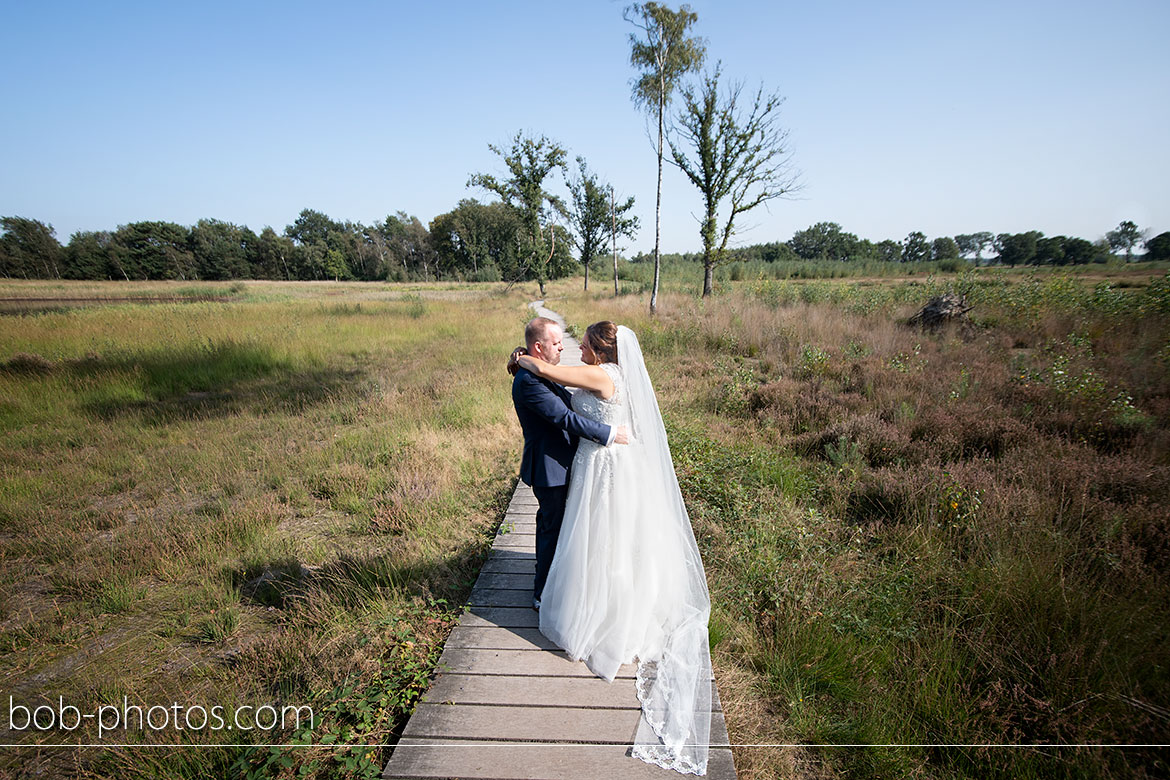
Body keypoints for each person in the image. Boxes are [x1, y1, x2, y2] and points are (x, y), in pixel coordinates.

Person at [514, 321, 713, 776]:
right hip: (594, 463)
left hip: (606, 465)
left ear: (601, 351)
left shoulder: (603, 375)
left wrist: (524, 359)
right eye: (568, 341)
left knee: (606, 541)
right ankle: (588, 593)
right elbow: (558, 382)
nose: (574, 347)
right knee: (594, 537)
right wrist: (525, 358)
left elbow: (557, 376)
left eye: (582, 342)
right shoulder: (602, 372)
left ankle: (607, 611)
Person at [510, 317, 628, 611]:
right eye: (557, 342)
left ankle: (572, 585)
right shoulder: (528, 382)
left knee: (572, 528)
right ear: (539, 347)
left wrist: (522, 357)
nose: (565, 346)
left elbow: (563, 391)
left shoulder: (544, 371)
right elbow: (565, 418)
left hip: (577, 463)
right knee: (554, 528)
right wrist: (610, 434)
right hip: (551, 468)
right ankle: (543, 593)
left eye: (579, 344)